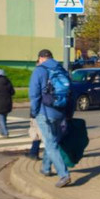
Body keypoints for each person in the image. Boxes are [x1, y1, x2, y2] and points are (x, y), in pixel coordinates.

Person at [28, 49, 72, 188]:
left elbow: (34, 93)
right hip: (60, 112)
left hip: (45, 112)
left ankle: (64, 175)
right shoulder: (61, 70)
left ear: (41, 58)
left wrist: (34, 112)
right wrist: (68, 113)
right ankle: (46, 168)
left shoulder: (39, 70)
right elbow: (71, 92)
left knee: (50, 144)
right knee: (53, 141)